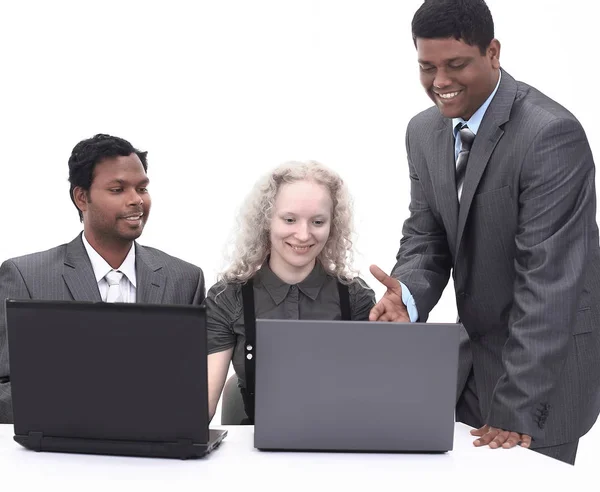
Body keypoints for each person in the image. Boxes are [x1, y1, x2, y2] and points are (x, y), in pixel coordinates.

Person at [369, 0, 600, 465]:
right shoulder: (422, 131)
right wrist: (407, 296)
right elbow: (427, 233)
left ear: (493, 52)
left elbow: (549, 282)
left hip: (542, 380)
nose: (440, 82)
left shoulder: (550, 134)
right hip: (468, 367)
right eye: (427, 67)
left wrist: (516, 408)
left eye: (456, 65)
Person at [0, 134, 205, 423]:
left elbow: (191, 389)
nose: (136, 200)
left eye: (142, 188)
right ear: (81, 197)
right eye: (118, 189)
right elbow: (6, 389)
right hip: (62, 453)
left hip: (156, 454)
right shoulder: (26, 277)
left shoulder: (185, 279)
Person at [206, 160, 375, 423]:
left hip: (336, 447)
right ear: (266, 221)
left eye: (318, 221)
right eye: (289, 220)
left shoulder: (355, 297)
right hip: (255, 452)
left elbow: (372, 396)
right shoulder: (228, 297)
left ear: (333, 225)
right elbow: (203, 405)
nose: (303, 234)